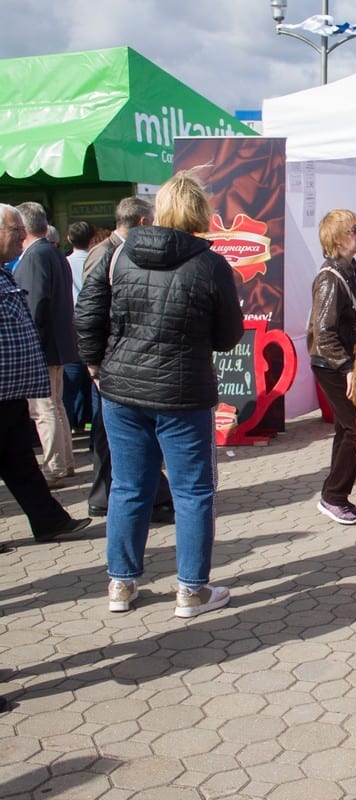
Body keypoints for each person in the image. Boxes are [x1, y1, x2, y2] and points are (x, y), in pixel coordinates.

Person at [76, 171, 244, 617]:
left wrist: (96, 366)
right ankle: (190, 590)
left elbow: (87, 316)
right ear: (200, 212)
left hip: (123, 391)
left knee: (129, 487)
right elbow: (229, 335)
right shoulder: (211, 265)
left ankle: (121, 584)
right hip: (182, 393)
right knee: (192, 492)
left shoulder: (119, 255)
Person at [0, 204, 92, 547]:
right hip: (5, 390)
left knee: (20, 459)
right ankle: (49, 519)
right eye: (14, 230)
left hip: (9, 391)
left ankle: (50, 520)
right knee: (18, 457)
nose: (21, 236)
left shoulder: (9, 268)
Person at [78, 198, 173, 521]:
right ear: (144, 223)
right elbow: (91, 312)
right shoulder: (107, 254)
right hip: (111, 363)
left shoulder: (123, 252)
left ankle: (127, 496)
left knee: (114, 437)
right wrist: (95, 365)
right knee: (109, 437)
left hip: (119, 362)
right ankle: (106, 496)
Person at [307, 209, 356, 525]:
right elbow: (324, 331)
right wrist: (347, 368)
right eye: (354, 229)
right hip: (332, 363)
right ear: (338, 238)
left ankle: (335, 496)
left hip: (338, 361)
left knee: (347, 428)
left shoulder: (349, 268)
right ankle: (333, 496)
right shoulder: (330, 279)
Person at [13, 202, 78, 486]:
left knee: (44, 409)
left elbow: (35, 302)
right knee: (54, 405)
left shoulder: (36, 255)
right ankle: (64, 462)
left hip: (44, 345)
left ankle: (55, 466)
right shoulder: (52, 252)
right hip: (57, 343)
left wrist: (31, 342)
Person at [63, 220, 95, 433]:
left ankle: (70, 430)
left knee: (70, 388)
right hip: (93, 325)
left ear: (68, 239)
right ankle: (94, 435)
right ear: (92, 239)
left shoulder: (64, 263)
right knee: (95, 386)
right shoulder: (97, 260)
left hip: (72, 329)